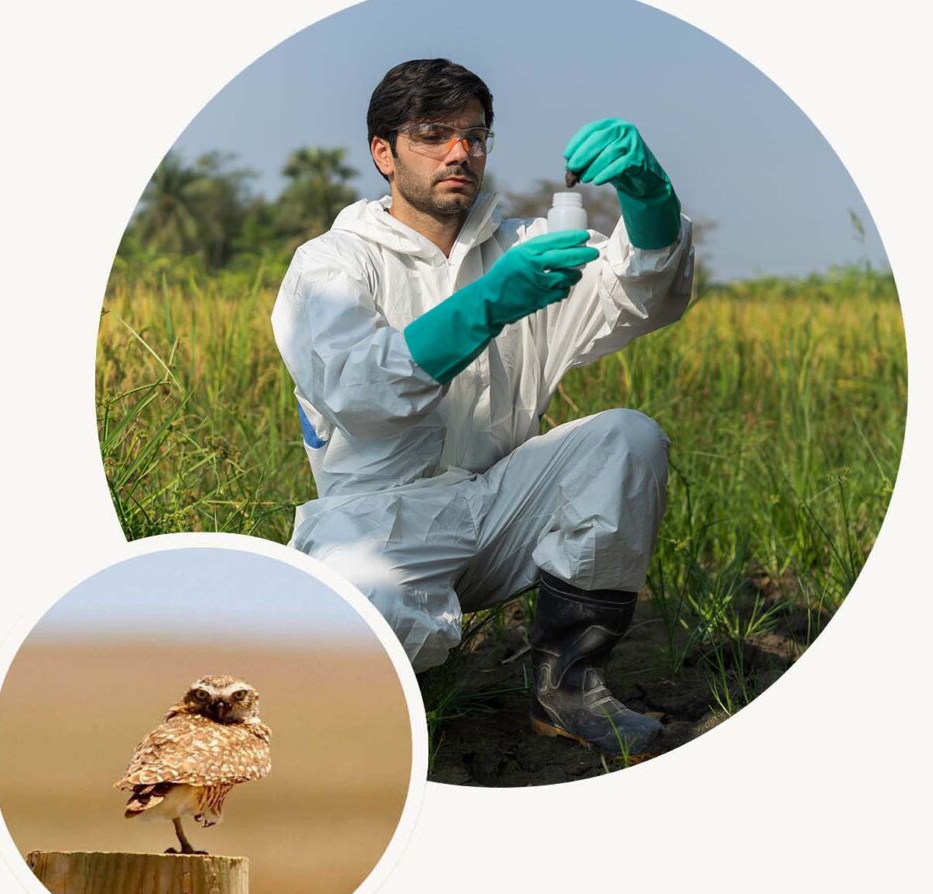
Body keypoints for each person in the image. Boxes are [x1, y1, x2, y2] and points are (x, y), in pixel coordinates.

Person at [272, 58, 694, 754]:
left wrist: (648, 193)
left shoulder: (527, 248)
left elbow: (640, 293)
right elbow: (360, 393)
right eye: (434, 134)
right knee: (356, 644)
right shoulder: (332, 264)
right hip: (377, 527)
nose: (460, 152)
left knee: (627, 437)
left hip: (499, 507)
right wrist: (490, 301)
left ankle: (567, 686)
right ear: (384, 152)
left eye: (475, 135)